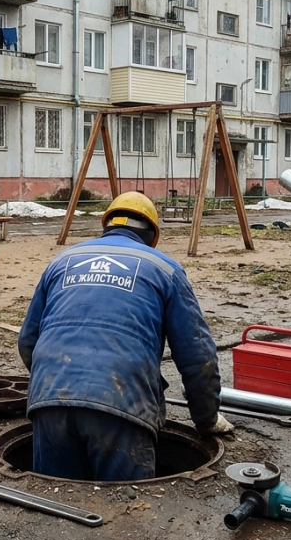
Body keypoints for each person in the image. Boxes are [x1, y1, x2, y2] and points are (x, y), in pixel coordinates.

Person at [18, 191, 232, 482]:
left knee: (57, 509)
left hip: (50, 404)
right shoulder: (165, 269)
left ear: (106, 226)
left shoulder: (62, 261)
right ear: (151, 234)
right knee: (126, 516)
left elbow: (28, 341)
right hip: (121, 407)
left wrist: (63, 384)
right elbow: (198, 357)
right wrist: (206, 419)